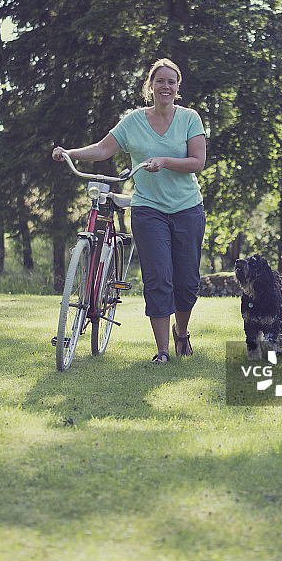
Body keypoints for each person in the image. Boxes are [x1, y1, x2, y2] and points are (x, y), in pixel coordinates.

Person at [52, 58, 206, 364]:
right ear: (150, 86)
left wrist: (165, 160)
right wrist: (70, 153)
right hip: (148, 209)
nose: (165, 86)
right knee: (158, 277)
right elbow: (102, 148)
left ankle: (181, 332)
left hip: (187, 209)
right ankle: (162, 350)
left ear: (178, 88)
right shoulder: (133, 121)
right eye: (159, 81)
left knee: (187, 281)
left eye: (171, 82)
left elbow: (197, 162)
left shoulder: (190, 119)